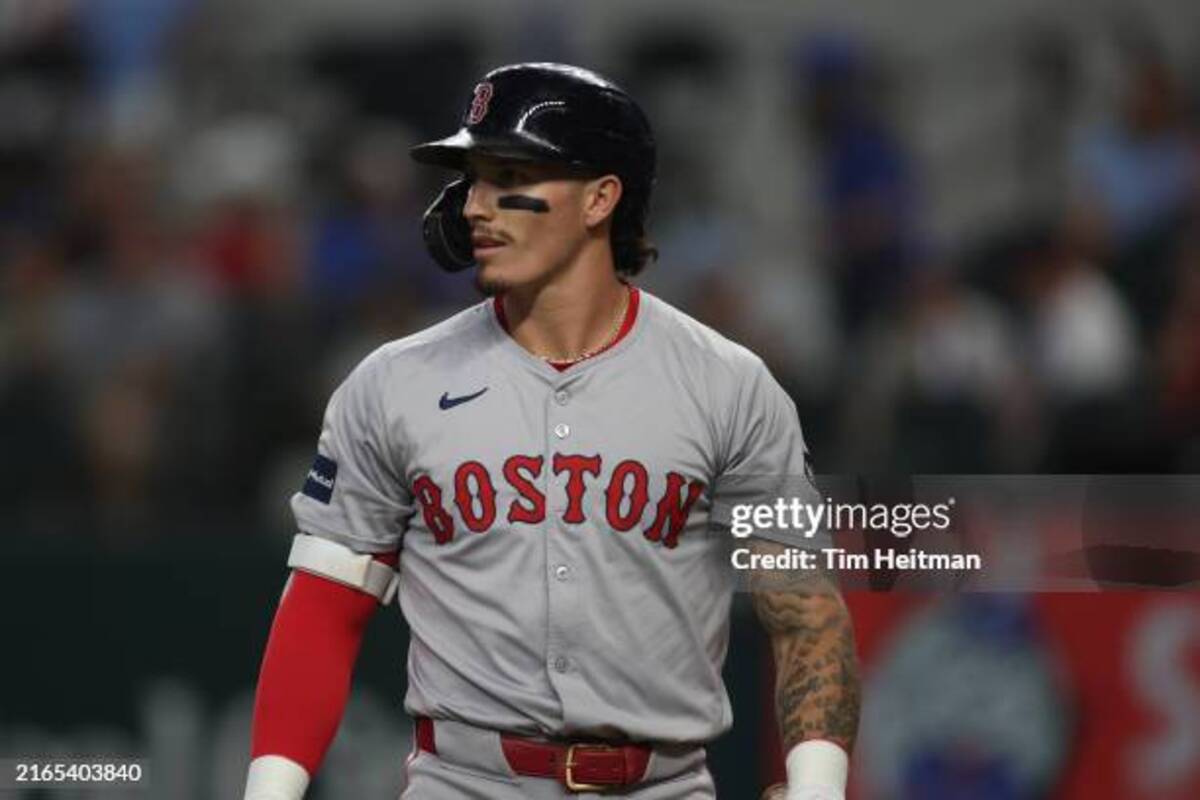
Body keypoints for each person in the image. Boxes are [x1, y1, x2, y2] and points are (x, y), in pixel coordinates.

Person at [242, 62, 859, 800]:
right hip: (462, 783)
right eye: (472, 178)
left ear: (601, 197)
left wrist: (818, 789)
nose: (475, 206)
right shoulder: (391, 384)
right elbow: (323, 607)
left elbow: (804, 610)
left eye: (511, 175)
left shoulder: (731, 386)